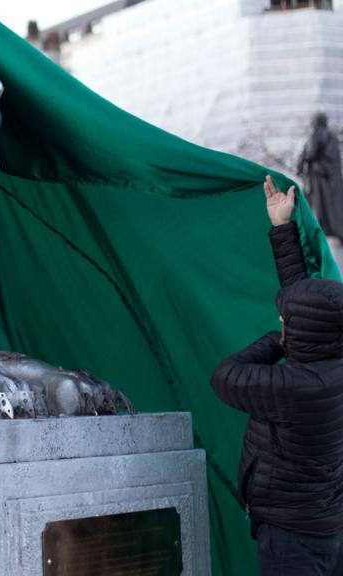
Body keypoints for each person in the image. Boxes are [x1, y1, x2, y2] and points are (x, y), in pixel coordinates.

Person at [210, 176, 343, 576]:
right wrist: (283, 228)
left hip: (293, 539)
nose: (281, 321)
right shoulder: (330, 366)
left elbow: (225, 376)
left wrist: (277, 341)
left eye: (286, 321)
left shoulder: (300, 389)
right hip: (325, 527)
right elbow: (307, 302)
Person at [298, 112, 343, 238]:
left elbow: (310, 154)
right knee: (333, 205)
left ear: (316, 122)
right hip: (332, 177)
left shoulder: (317, 135)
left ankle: (325, 229)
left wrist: (302, 161)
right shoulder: (333, 137)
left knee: (320, 205)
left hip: (319, 177)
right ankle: (336, 229)